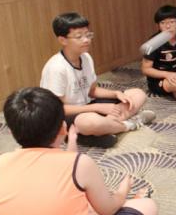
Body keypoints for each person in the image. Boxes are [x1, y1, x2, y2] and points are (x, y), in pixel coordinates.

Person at [0, 87, 158, 215]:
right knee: (148, 206)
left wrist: (73, 141)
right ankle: (131, 204)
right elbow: (109, 210)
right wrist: (123, 190)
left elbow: (55, 180)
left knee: (76, 200)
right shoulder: (81, 164)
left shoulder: (0, 162)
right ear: (63, 127)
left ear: (11, 132)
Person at [41, 12, 155, 148]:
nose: (86, 40)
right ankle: (127, 125)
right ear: (63, 40)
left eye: (88, 35)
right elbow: (56, 109)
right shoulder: (56, 67)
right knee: (89, 123)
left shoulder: (86, 57)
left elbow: (92, 90)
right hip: (68, 115)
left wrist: (116, 94)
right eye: (79, 36)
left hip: (89, 105)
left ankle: (103, 128)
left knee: (137, 94)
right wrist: (96, 107)